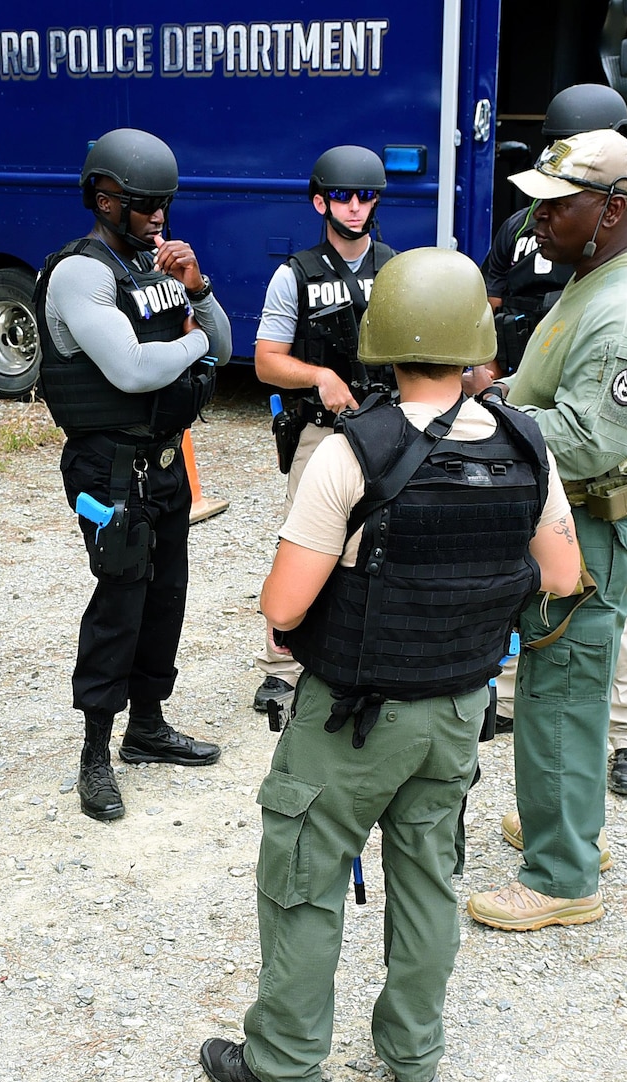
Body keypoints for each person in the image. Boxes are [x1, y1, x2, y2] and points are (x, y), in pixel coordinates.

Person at [200, 250, 581, 1082]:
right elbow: (559, 576)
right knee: (427, 878)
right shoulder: (527, 443)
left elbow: (284, 609)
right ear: (475, 343)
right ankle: (414, 1055)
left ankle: (286, 1063)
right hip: (459, 711)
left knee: (303, 875)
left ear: (381, 341)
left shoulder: (351, 455)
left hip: (352, 719)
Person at [467, 130, 627, 933]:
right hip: (580, 515)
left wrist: (496, 416)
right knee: (570, 689)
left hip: (593, 521)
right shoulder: (598, 275)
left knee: (559, 692)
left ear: (617, 208)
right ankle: (562, 814)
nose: (539, 219)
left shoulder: (625, 312)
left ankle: (563, 873)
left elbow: (590, 438)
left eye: (560, 204)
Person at [38, 127, 232, 823]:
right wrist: (199, 343)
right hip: (108, 466)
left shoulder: (157, 267)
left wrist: (197, 290)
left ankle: (146, 726)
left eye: (165, 204)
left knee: (166, 595)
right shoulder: (81, 274)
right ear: (105, 198)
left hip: (165, 459)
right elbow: (130, 369)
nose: (159, 216)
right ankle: (95, 752)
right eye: (146, 204)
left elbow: (223, 341)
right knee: (121, 598)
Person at [249, 145, 395, 717]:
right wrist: (320, 377)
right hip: (321, 428)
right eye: (342, 196)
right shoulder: (294, 276)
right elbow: (265, 361)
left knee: (382, 541)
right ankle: (281, 668)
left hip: (387, 425)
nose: (355, 207)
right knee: (305, 539)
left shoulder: (396, 268)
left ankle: (367, 652)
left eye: (365, 196)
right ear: (320, 202)